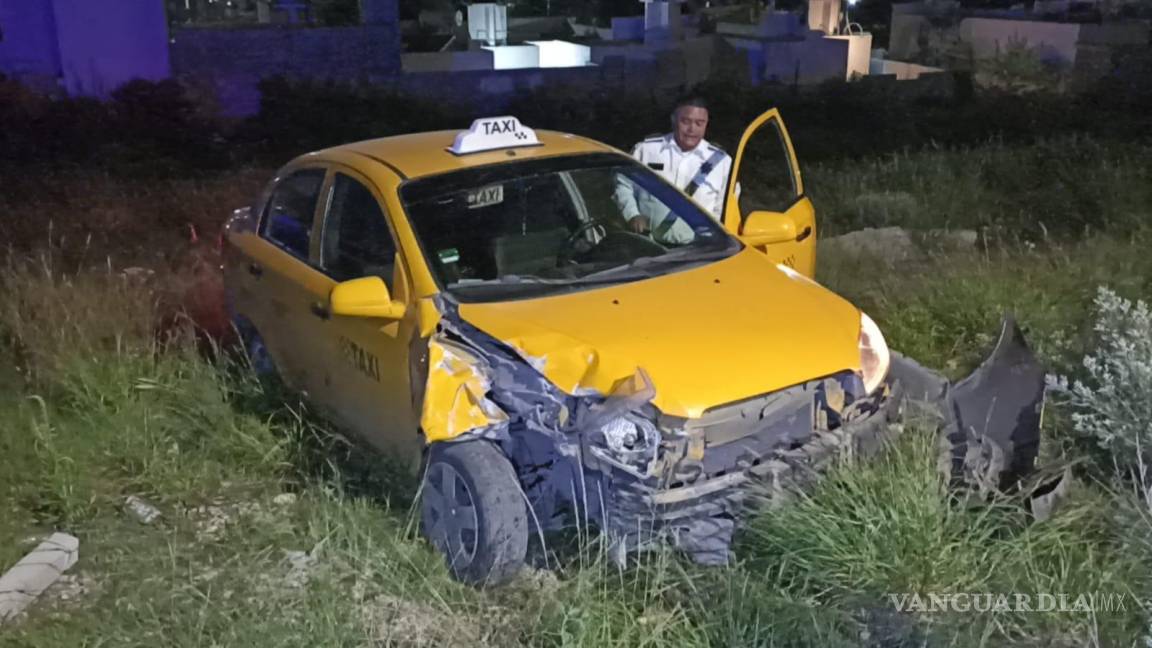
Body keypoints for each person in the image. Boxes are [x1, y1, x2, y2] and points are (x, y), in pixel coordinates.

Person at [613, 96, 732, 245]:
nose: (692, 129)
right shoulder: (647, 150)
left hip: (699, 250)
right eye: (686, 121)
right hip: (650, 246)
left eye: (699, 123)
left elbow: (724, 209)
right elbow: (623, 185)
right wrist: (632, 215)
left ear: (706, 124)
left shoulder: (722, 162)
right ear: (673, 120)